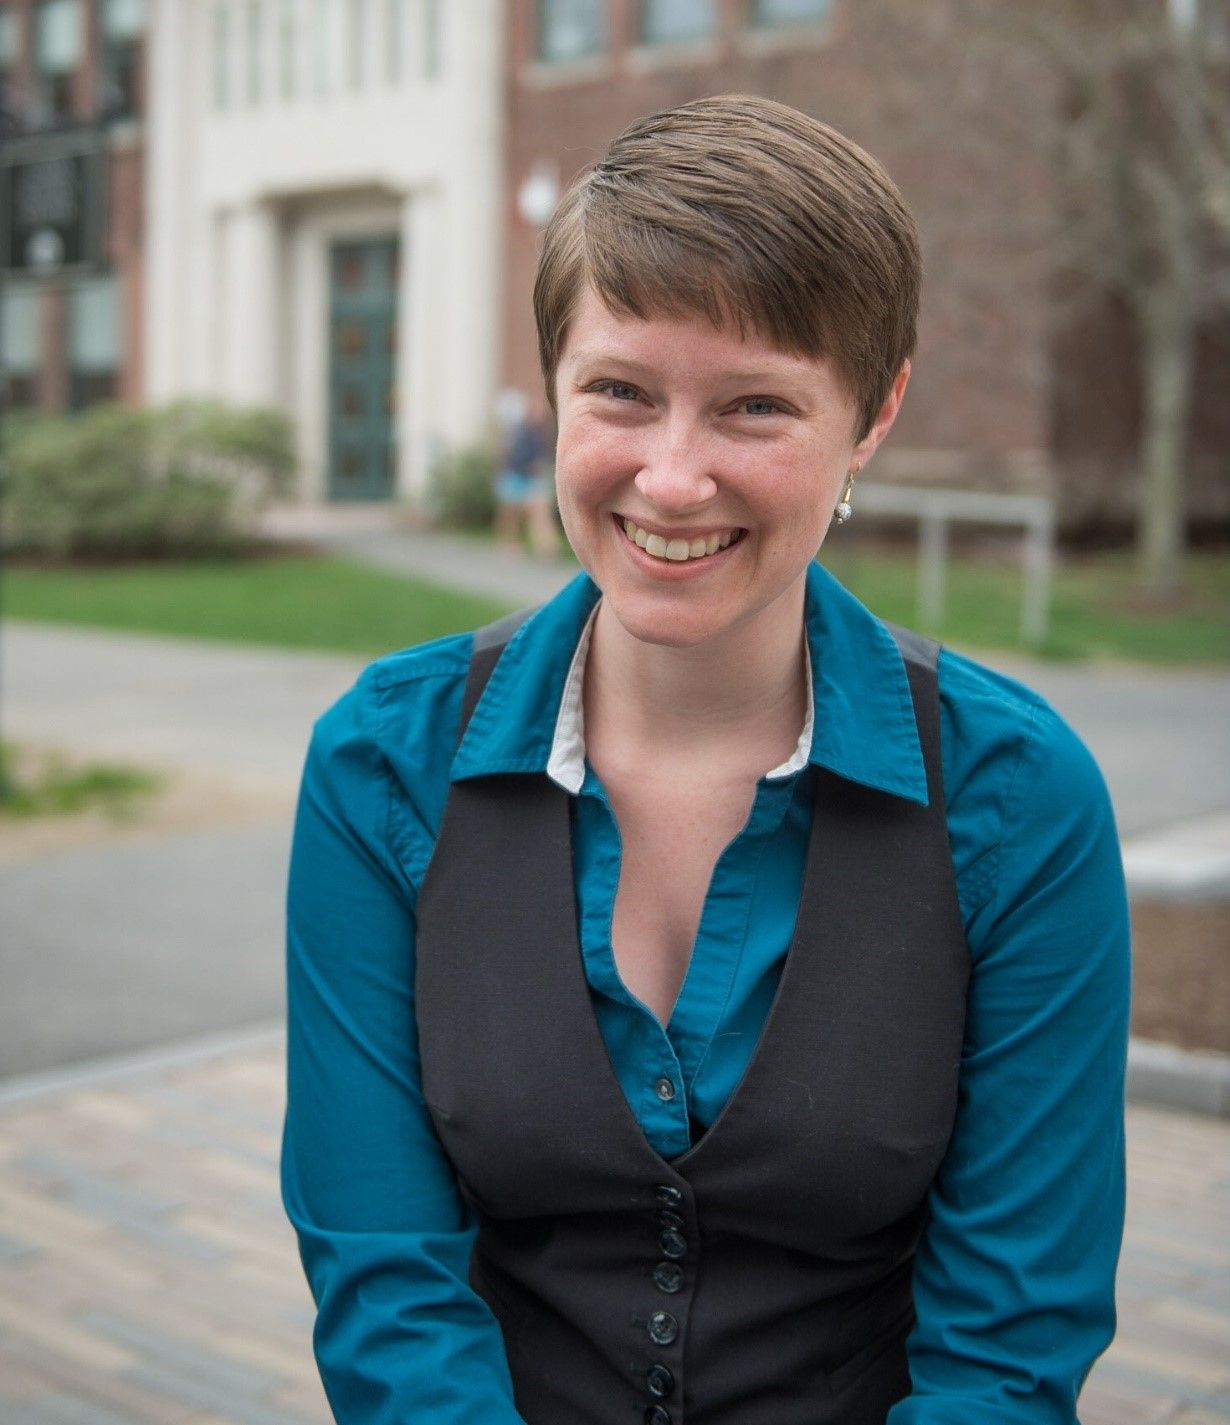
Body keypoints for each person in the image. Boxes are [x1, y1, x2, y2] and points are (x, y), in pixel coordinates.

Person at [282, 95, 1130, 1424]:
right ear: (551, 385)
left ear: (873, 416)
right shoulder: (381, 768)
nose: (672, 480)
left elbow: (1008, 1348)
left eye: (755, 406)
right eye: (620, 391)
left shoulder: (1020, 802)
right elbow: (386, 1284)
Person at [493, 387, 558, 559]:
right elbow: (512, 455)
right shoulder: (519, 430)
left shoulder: (542, 432)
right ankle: (508, 545)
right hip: (515, 476)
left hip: (534, 479)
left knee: (540, 512)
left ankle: (545, 547)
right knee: (511, 514)